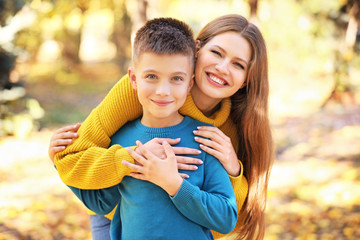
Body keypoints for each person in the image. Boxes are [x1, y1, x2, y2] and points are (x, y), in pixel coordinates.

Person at [51, 14, 273, 240]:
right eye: (217, 53)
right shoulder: (137, 91)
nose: (223, 68)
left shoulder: (227, 131)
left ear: (247, 78)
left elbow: (227, 221)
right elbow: (75, 161)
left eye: (238, 64)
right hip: (116, 217)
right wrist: (133, 159)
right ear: (197, 50)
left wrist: (234, 170)